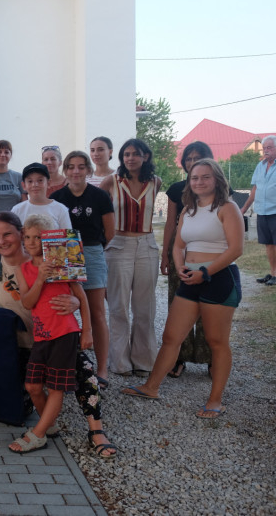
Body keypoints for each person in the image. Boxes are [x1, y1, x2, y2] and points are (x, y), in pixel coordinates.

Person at [0, 212, 117, 458]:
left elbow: (77, 290)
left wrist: (76, 303)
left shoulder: (54, 259)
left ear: (20, 233)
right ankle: (48, 423)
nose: (2, 241)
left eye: (8, 234)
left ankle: (95, 430)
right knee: (30, 390)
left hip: (58, 333)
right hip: (23, 343)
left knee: (86, 374)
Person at [122, 159, 244, 419]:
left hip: (219, 278)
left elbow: (236, 249)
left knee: (216, 341)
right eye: (195, 177)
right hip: (190, 277)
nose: (199, 181)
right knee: (171, 337)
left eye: (206, 177)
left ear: (217, 180)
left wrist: (206, 272)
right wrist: (180, 267)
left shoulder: (227, 207)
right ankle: (151, 387)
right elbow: (178, 245)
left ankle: (215, 400)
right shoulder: (188, 209)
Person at [10, 214, 92, 454]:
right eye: (27, 237)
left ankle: (38, 434)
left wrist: (87, 331)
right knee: (32, 385)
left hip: (65, 332)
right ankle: (49, 424)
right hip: (41, 336)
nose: (31, 242)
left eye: (38, 237)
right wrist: (40, 279)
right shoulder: (23, 269)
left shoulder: (62, 262)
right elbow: (27, 302)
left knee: (56, 388)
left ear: (49, 240)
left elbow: (82, 297)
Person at [51, 151, 115, 385]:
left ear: (88, 170)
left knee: (97, 313)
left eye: (80, 166)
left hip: (91, 251)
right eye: (71, 167)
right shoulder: (57, 198)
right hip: (63, 252)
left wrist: (92, 250)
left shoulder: (100, 196)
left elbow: (110, 232)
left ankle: (102, 370)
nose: (76, 171)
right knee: (62, 310)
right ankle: (66, 366)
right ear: (65, 170)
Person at [100, 138, 162, 376]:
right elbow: (98, 211)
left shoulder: (155, 182)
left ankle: (143, 361)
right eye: (126, 154)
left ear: (145, 156)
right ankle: (120, 363)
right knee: (118, 307)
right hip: (118, 245)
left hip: (147, 244)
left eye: (135, 154)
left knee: (145, 307)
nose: (130, 158)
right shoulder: (111, 181)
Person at [160, 141, 216, 378]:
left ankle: (211, 357)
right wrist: (165, 254)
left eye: (197, 157)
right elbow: (170, 224)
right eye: (189, 159)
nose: (192, 162)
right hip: (179, 249)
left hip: (210, 250)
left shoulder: (219, 188)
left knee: (210, 303)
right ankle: (179, 357)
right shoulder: (176, 189)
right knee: (178, 301)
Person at [240, 135, 276, 285]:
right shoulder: (260, 166)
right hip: (262, 211)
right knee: (268, 244)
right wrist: (244, 208)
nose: (266, 151)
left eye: (269, 148)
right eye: (264, 148)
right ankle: (273, 273)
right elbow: (255, 189)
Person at [11, 163, 71, 229]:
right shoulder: (17, 210)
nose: (35, 185)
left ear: (48, 183)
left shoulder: (61, 209)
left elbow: (69, 235)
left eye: (40, 180)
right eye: (30, 181)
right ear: (24, 185)